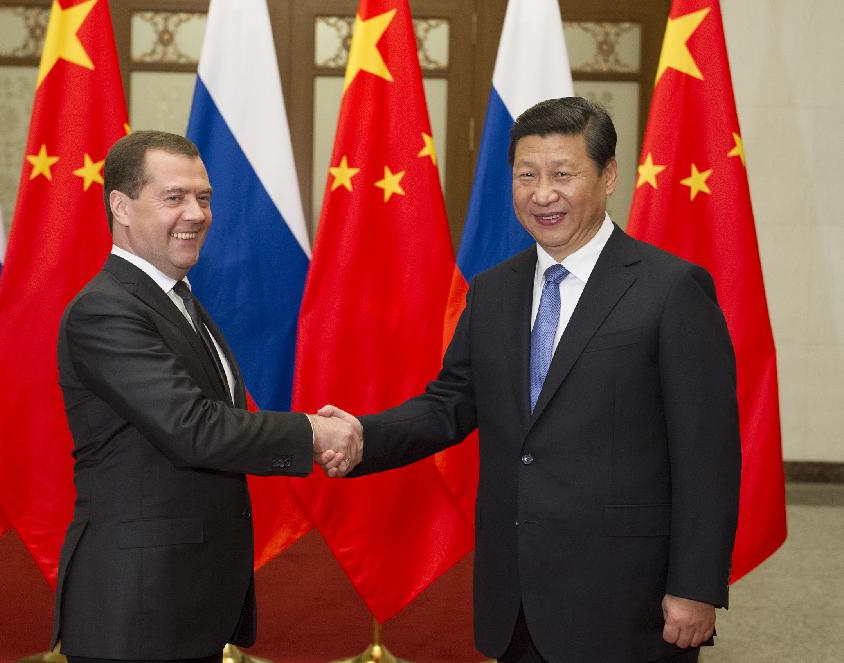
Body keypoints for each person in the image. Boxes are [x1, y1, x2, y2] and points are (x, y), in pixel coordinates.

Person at [320, 98, 741, 663]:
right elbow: (451, 403)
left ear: (609, 175)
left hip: (626, 598)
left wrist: (695, 586)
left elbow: (707, 453)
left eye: (563, 174)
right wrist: (362, 435)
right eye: (527, 176)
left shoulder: (670, 290)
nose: (543, 194)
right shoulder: (494, 291)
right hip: (515, 594)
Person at [51, 130, 360, 663]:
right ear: (120, 207)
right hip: (135, 613)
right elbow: (195, 428)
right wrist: (314, 433)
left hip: (182, 602)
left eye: (204, 198)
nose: (196, 213)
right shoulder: (105, 310)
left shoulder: (175, 301)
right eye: (174, 197)